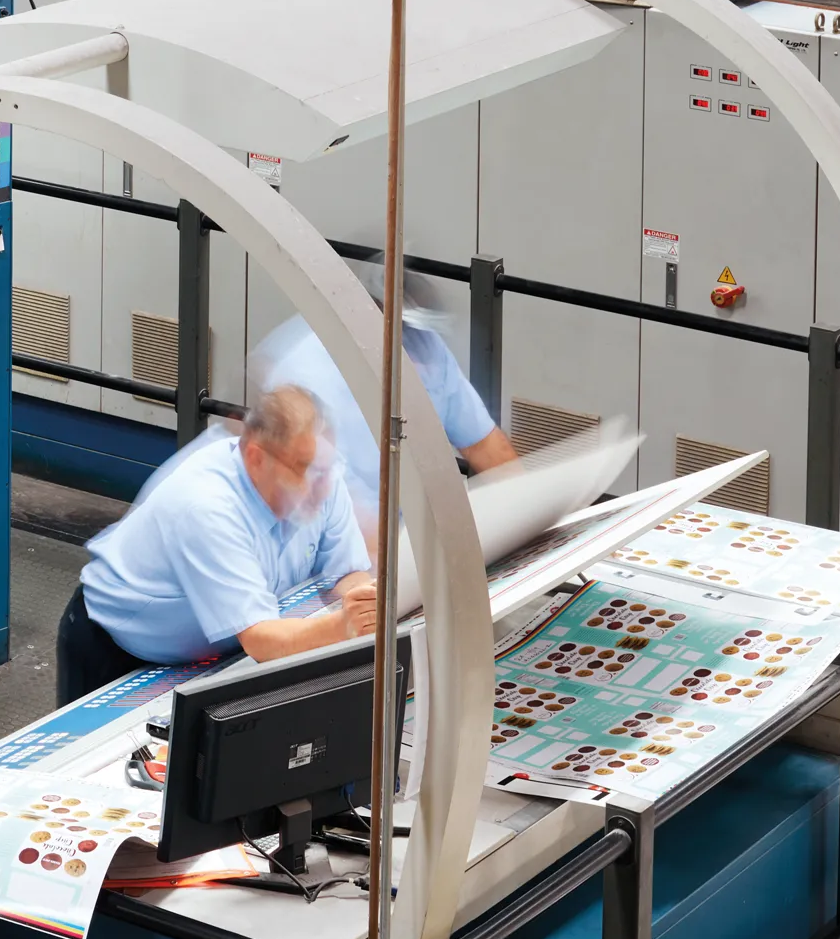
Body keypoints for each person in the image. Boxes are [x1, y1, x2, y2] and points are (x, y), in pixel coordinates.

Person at [56, 385, 378, 706]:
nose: (319, 485)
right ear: (255, 457)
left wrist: (367, 603)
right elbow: (263, 641)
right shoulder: (207, 506)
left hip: (211, 652)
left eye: (323, 465)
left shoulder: (320, 479)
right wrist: (344, 625)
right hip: (116, 648)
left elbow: (347, 573)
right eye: (302, 468)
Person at [253, 261, 517, 536]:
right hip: (318, 537)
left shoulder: (424, 346)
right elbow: (347, 518)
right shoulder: (310, 375)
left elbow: (487, 446)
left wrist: (528, 521)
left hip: (401, 534)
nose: (412, 346)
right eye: (399, 329)